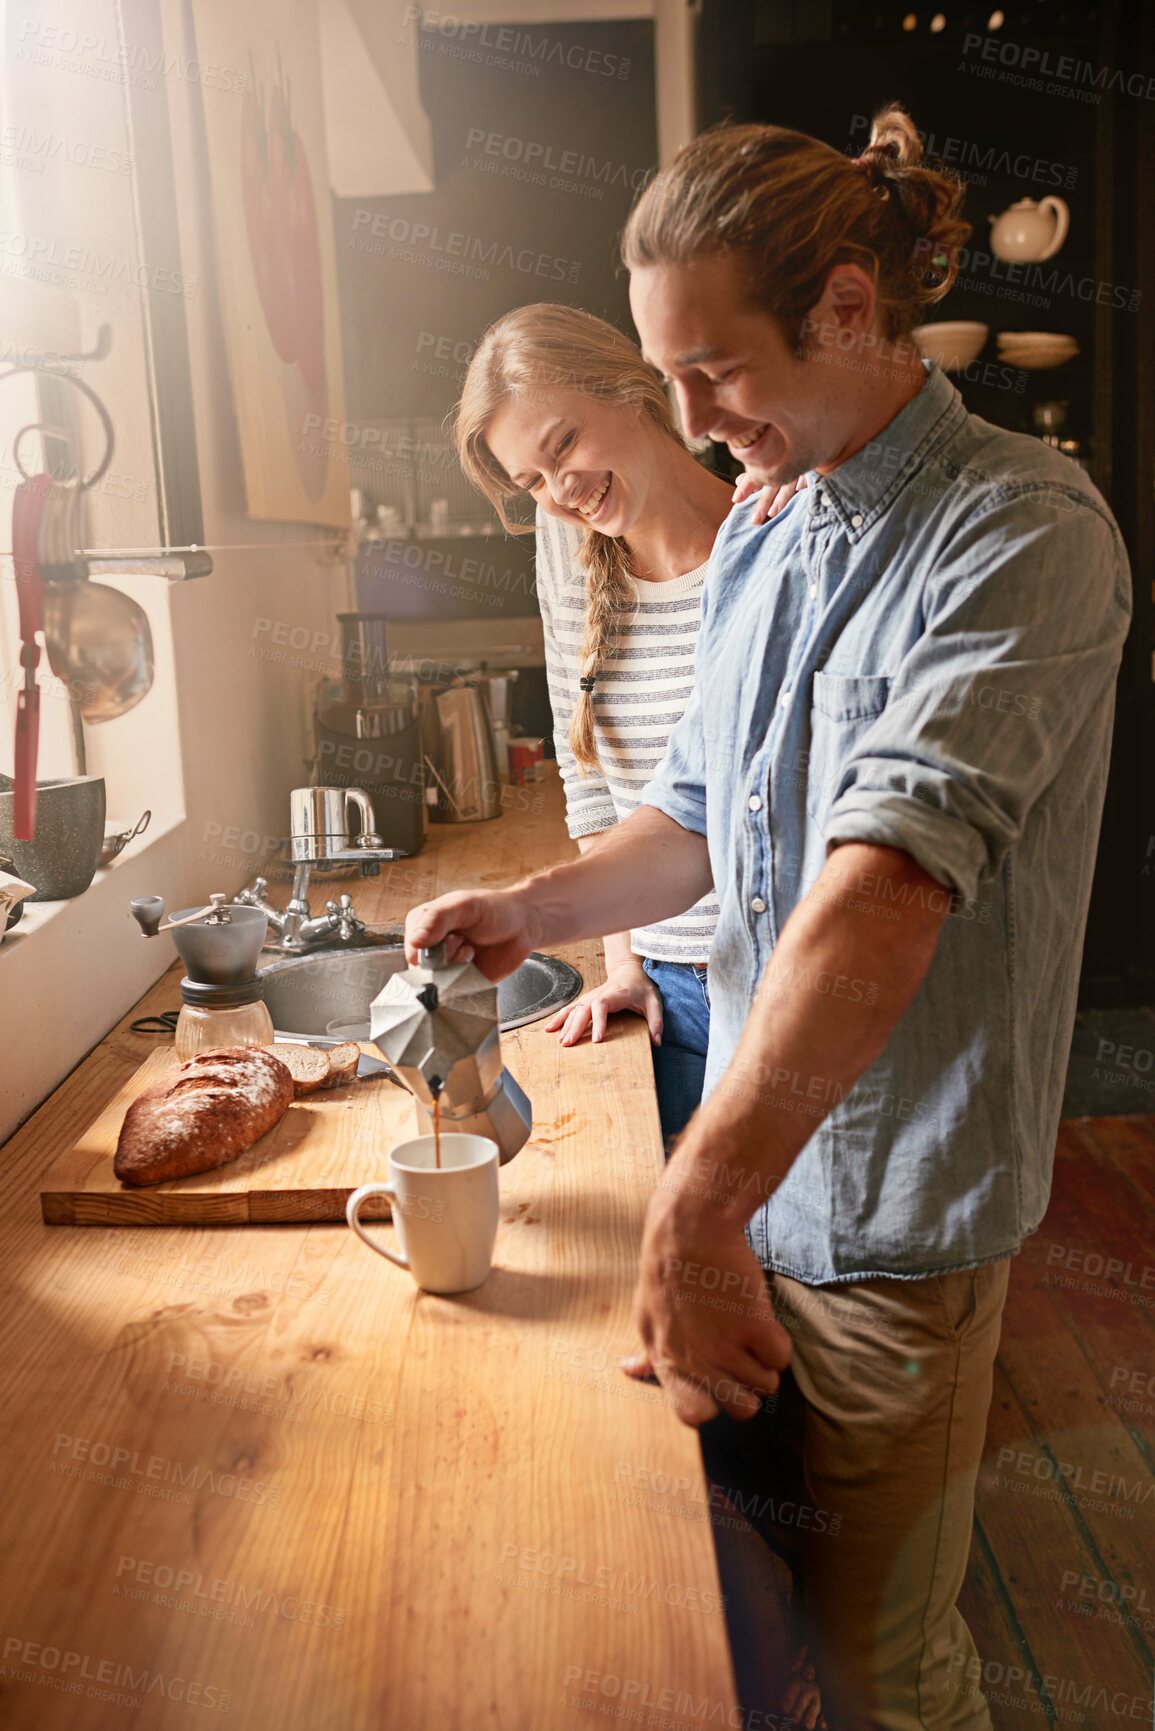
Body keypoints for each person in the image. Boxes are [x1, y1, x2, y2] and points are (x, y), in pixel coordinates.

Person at [410, 105, 1132, 1730]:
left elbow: (880, 895)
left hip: (882, 1215)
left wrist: (693, 1211)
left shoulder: (1021, 533)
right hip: (748, 1183)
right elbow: (689, 829)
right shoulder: (770, 532)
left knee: (888, 1670)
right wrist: (531, 907)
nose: (688, 414)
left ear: (853, 308)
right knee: (750, 1615)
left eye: (717, 368)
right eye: (664, 375)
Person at [454, 303, 732, 1151]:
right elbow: (591, 785)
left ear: (636, 389)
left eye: (564, 445)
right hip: (665, 996)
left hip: (779, 991)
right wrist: (624, 965)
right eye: (532, 481)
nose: (559, 490)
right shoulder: (566, 545)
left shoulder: (770, 536)